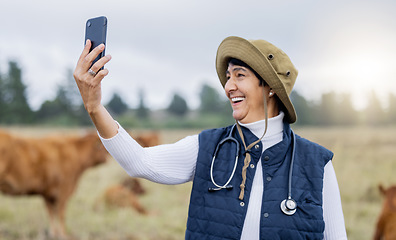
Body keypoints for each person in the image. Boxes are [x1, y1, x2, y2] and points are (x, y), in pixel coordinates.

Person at [74, 36, 348, 239]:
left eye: (240, 75)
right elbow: (139, 162)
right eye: (228, 77)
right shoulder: (207, 147)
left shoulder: (317, 163)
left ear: (271, 88)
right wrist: (95, 107)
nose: (229, 86)